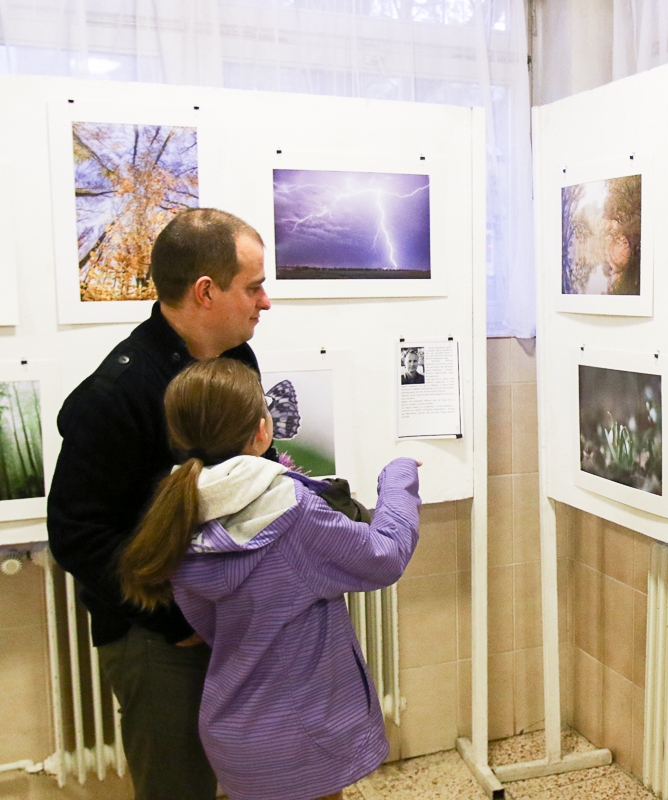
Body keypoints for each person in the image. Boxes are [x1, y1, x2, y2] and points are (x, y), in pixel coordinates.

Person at [119, 359, 420, 800]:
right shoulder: (293, 512)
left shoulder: (177, 516)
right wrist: (398, 478)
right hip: (304, 734)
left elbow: (206, 623)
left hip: (237, 736)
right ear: (263, 432)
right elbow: (386, 556)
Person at [47, 208, 271, 800]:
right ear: (206, 291)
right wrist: (176, 621)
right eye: (253, 287)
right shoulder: (115, 395)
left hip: (228, 619)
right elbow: (76, 534)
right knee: (179, 787)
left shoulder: (236, 360)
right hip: (158, 637)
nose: (265, 301)